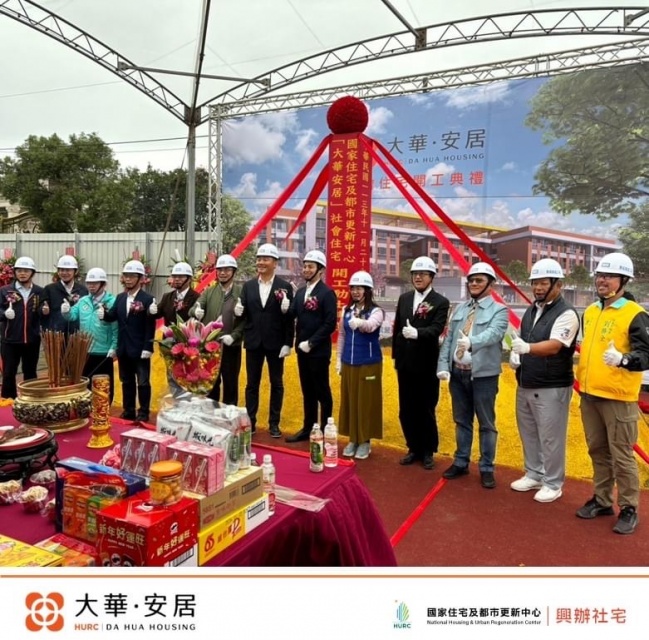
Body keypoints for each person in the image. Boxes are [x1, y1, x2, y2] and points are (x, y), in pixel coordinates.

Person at [575, 252, 649, 535]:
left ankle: (629, 508)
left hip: (618, 398)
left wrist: (624, 360)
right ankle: (602, 500)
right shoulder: (591, 311)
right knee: (598, 450)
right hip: (590, 394)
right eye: (599, 275)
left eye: (609, 276)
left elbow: (646, 354)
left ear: (623, 280)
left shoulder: (634, 313)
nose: (602, 280)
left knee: (622, 455)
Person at [509, 258, 579, 503]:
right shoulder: (532, 309)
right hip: (526, 381)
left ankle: (553, 482)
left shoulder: (567, 313)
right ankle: (534, 474)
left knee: (551, 437)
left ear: (558, 284)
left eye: (543, 283)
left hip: (552, 385)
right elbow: (521, 336)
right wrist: (516, 353)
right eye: (535, 283)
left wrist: (527, 348)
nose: (538, 288)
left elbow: (555, 345)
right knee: (529, 432)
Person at [437, 262, 508, 488]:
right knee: (461, 420)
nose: (474, 284)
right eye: (471, 280)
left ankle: (486, 467)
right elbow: (449, 338)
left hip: (483, 376)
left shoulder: (499, 310)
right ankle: (461, 462)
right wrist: (443, 365)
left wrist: (471, 342)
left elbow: (494, 334)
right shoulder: (460, 309)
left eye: (479, 280)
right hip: (458, 374)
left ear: (490, 284)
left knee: (486, 423)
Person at [392, 256, 449, 470]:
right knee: (406, 408)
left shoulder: (440, 302)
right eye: (415, 274)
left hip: (426, 364)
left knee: (426, 408)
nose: (418, 277)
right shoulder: (404, 298)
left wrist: (418, 333)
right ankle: (413, 447)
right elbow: (397, 328)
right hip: (405, 363)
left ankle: (428, 450)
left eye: (423, 274)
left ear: (431, 277)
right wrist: (396, 357)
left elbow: (436, 329)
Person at [236, 243, 294, 437]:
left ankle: (274, 424)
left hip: (276, 343)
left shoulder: (284, 287)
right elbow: (243, 314)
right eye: (259, 259)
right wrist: (238, 312)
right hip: (253, 341)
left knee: (277, 384)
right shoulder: (248, 286)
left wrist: (288, 343)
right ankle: (250, 422)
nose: (261, 262)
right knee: (252, 384)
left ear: (275, 263)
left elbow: (289, 319)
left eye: (265, 259)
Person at [285, 250, 337, 443]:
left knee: (322, 390)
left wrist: (312, 342)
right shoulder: (300, 292)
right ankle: (308, 428)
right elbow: (293, 314)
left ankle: (324, 430)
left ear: (320, 270)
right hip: (302, 350)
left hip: (318, 351)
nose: (306, 269)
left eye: (311, 266)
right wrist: (285, 306)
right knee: (307, 390)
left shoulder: (327, 293)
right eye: (305, 266)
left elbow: (329, 323)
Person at [99, 260, 157, 423]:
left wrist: (148, 346)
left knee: (143, 382)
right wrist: (104, 314)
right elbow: (113, 316)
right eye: (126, 276)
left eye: (132, 276)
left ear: (141, 278)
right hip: (123, 348)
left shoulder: (147, 299)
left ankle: (143, 412)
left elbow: (150, 325)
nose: (129, 279)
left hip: (140, 348)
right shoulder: (120, 297)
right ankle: (129, 410)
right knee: (126, 381)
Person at [337, 270, 384, 460]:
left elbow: (371, 326)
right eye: (353, 288)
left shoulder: (376, 311)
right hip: (349, 362)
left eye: (360, 288)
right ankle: (353, 438)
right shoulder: (346, 310)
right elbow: (342, 335)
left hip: (369, 363)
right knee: (350, 400)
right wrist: (339, 360)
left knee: (366, 401)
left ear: (368, 290)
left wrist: (360, 323)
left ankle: (365, 441)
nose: (356, 291)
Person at [191, 254, 244, 406]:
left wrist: (234, 336)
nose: (223, 273)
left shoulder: (241, 292)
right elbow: (195, 307)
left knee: (230, 383)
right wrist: (196, 311)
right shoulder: (209, 291)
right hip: (210, 346)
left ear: (234, 272)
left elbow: (246, 320)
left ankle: (228, 414)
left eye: (227, 270)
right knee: (211, 383)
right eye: (220, 270)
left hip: (231, 346)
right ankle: (211, 414)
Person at [64, 267, 119, 405]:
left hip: (103, 351)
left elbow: (116, 327)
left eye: (95, 283)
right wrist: (66, 311)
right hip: (85, 350)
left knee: (103, 386)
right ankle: (86, 411)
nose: (91, 286)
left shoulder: (112, 302)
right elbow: (72, 316)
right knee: (85, 384)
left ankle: (103, 411)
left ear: (103, 284)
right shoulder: (83, 301)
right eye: (89, 283)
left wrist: (114, 347)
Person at [0, 257, 44, 399]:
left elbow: (43, 312)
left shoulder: (39, 291)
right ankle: (8, 401)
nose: (22, 273)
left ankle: (31, 401)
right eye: (19, 270)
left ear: (32, 273)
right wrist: (4, 314)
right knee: (8, 373)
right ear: (15, 272)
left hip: (32, 339)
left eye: (26, 271)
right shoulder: (5, 291)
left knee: (30, 372)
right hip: (10, 340)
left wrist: (44, 311)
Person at [154, 262, 200, 396]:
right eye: (175, 276)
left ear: (189, 279)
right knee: (172, 377)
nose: (177, 279)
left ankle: (188, 403)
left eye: (181, 277)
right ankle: (176, 402)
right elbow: (157, 314)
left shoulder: (197, 297)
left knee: (189, 377)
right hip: (170, 345)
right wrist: (151, 310)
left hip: (189, 345)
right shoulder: (167, 297)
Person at [40, 255, 88, 333]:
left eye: (68, 270)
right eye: (62, 270)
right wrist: (43, 310)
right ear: (58, 272)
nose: (64, 273)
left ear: (75, 271)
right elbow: (40, 309)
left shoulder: (82, 290)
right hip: (56, 335)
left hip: (76, 335)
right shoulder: (49, 289)